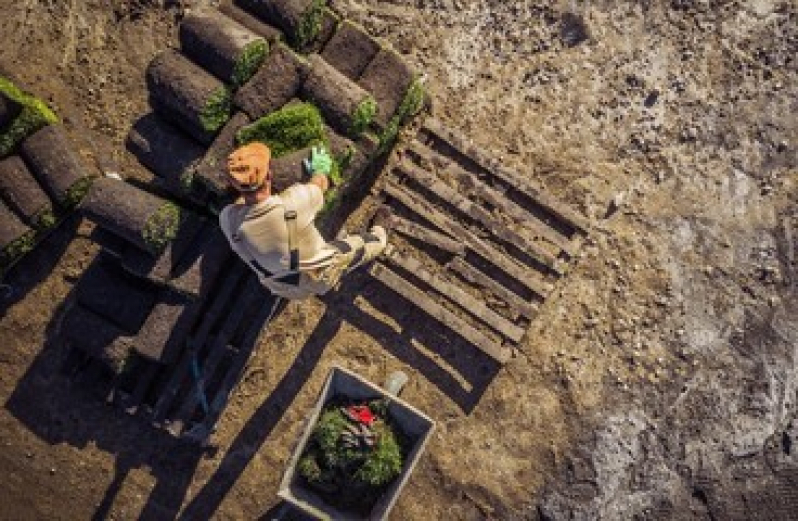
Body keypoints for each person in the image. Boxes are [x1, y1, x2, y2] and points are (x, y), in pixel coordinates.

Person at [219, 142, 391, 299]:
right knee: (361, 247)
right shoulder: (294, 203)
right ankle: (380, 237)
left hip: (283, 287)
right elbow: (320, 183)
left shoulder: (228, 220)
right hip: (322, 273)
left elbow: (242, 205)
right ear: (270, 176)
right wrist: (319, 170)